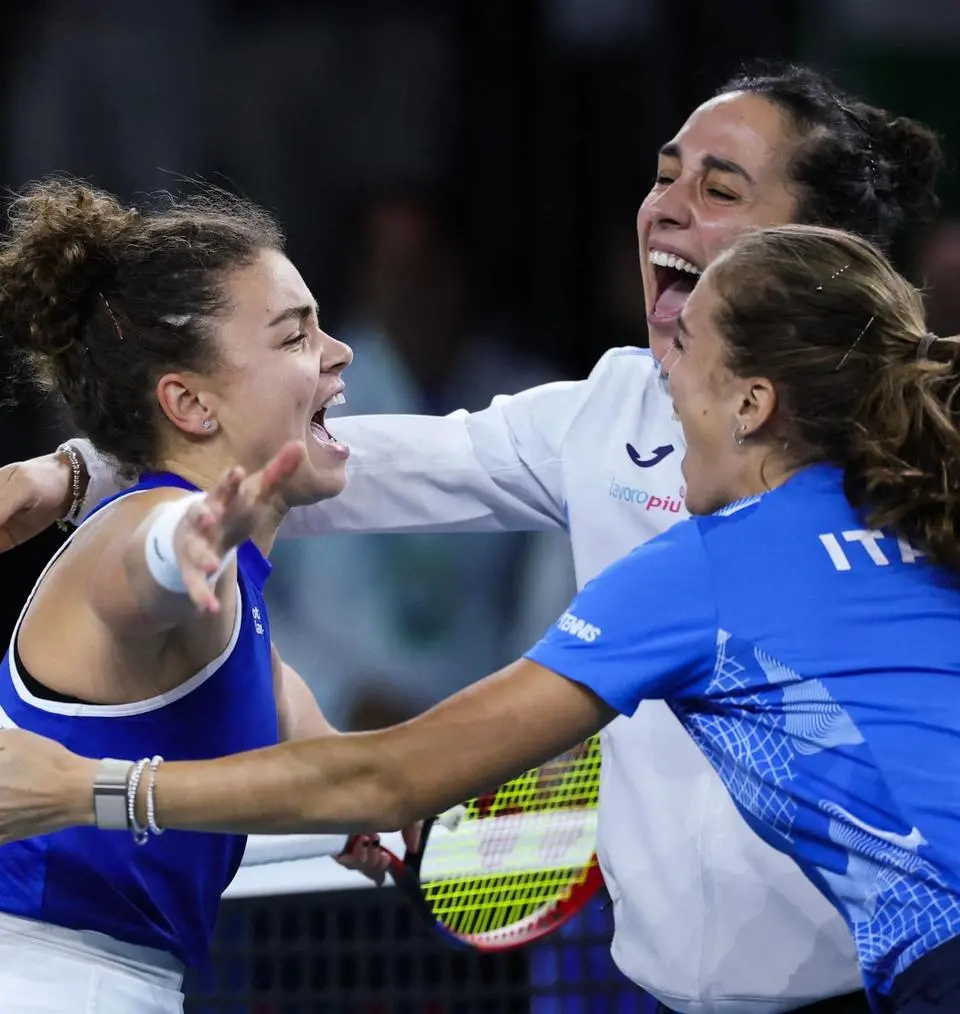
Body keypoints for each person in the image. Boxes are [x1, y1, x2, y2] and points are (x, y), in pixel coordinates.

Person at [0, 64, 942, 1014]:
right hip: (655, 989)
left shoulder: (807, 518)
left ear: (815, 249)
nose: (665, 207)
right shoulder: (610, 417)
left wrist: (96, 787)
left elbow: (385, 771)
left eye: (719, 187)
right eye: (664, 175)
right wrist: (85, 470)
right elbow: (288, 470)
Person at [0, 179, 393, 1014]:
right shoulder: (140, 528)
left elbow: (328, 765)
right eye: (295, 336)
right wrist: (183, 554)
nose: (339, 352)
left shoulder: (248, 621)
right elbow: (139, 580)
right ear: (189, 403)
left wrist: (381, 825)